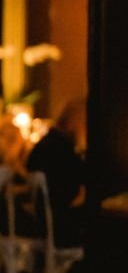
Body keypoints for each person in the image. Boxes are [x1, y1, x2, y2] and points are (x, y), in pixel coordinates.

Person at [26, 98, 87, 247]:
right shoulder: (63, 151)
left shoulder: (43, 145)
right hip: (64, 228)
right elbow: (71, 196)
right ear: (74, 123)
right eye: (84, 123)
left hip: (44, 225)